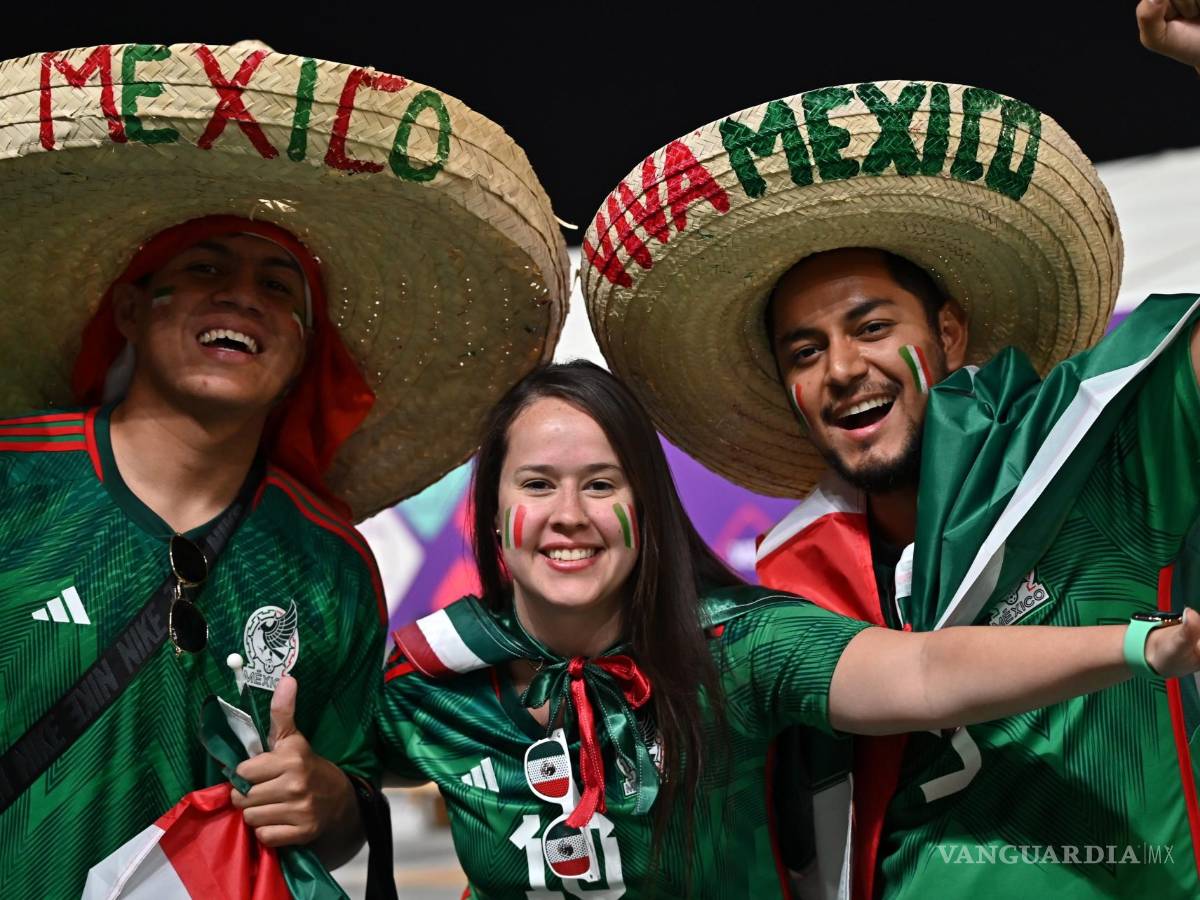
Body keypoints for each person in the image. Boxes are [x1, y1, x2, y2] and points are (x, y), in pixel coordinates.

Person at [578, 4, 1200, 897]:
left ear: (949, 332)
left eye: (872, 327)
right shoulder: (788, 589)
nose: (841, 369)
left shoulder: (1103, 454)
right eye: (805, 352)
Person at [0, 41, 568, 897]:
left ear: (305, 355)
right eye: (204, 269)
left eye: (278, 289)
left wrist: (329, 800)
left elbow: (341, 809)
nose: (241, 297)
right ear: (128, 308)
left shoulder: (330, 565)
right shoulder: (15, 482)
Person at [377, 360, 1200, 899]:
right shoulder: (430, 680)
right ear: (494, 517)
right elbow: (336, 793)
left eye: (601, 484)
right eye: (536, 485)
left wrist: (1138, 644)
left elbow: (926, 674)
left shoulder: (740, 649)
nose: (569, 515)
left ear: (647, 511)